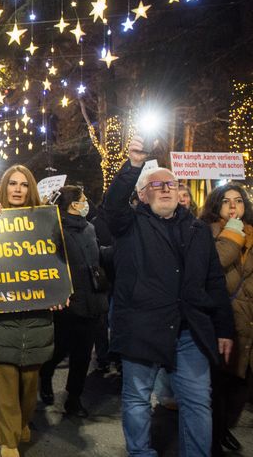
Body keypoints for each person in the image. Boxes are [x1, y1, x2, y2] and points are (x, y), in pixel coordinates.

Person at [104, 135, 234, 457]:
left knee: (197, 402)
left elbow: (214, 281)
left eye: (171, 184)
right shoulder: (129, 225)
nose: (165, 188)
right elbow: (111, 206)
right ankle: (141, 453)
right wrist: (134, 164)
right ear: (143, 195)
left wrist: (225, 329)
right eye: (156, 185)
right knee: (137, 399)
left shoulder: (197, 230)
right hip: (142, 328)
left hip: (189, 331)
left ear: (180, 192)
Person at [0, 165, 56, 457]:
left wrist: (59, 292)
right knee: (2, 383)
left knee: (27, 384)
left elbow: (59, 265)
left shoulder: (46, 221)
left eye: (24, 184)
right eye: (13, 183)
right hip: (0, 319)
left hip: (36, 319)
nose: (18, 189)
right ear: (4, 187)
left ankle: (22, 423)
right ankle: (7, 440)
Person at [38, 185, 109, 418]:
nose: (87, 203)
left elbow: (97, 254)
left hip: (93, 301)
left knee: (83, 355)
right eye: (83, 199)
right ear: (73, 204)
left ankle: (74, 398)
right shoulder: (55, 230)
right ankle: (45, 375)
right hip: (69, 304)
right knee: (60, 349)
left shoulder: (89, 228)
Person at [199, 183, 253, 455]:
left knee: (240, 387)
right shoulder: (206, 233)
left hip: (249, 323)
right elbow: (217, 262)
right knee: (217, 386)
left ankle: (224, 429)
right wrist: (233, 234)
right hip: (222, 322)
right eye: (227, 201)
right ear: (216, 206)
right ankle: (214, 435)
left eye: (239, 201)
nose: (234, 207)